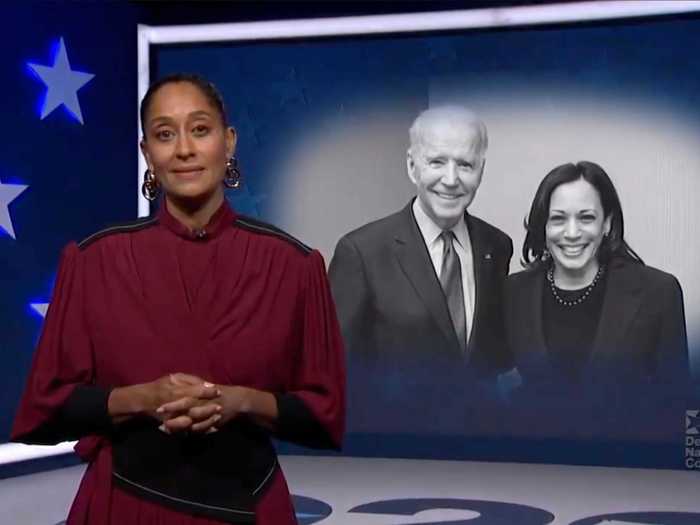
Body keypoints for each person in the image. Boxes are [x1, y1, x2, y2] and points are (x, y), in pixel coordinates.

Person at [11, 73, 345, 524]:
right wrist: (143, 398)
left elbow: (323, 415)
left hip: (250, 503)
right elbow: (46, 409)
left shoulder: (294, 265)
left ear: (228, 143)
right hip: (125, 504)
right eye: (165, 134)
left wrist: (241, 401)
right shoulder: (93, 261)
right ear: (148, 153)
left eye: (200, 129)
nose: (184, 149)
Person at [328, 106, 512, 434]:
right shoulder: (361, 252)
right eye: (437, 162)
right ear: (413, 166)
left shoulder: (496, 247)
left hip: (482, 451)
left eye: (465, 164)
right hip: (395, 453)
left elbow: (492, 359)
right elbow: (336, 372)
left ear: (481, 170)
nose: (451, 179)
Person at [505, 161, 689, 440]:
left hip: (627, 469)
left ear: (607, 223)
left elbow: (679, 403)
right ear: (543, 226)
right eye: (558, 219)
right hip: (538, 468)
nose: (571, 233)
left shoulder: (659, 292)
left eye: (586, 218)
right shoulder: (512, 292)